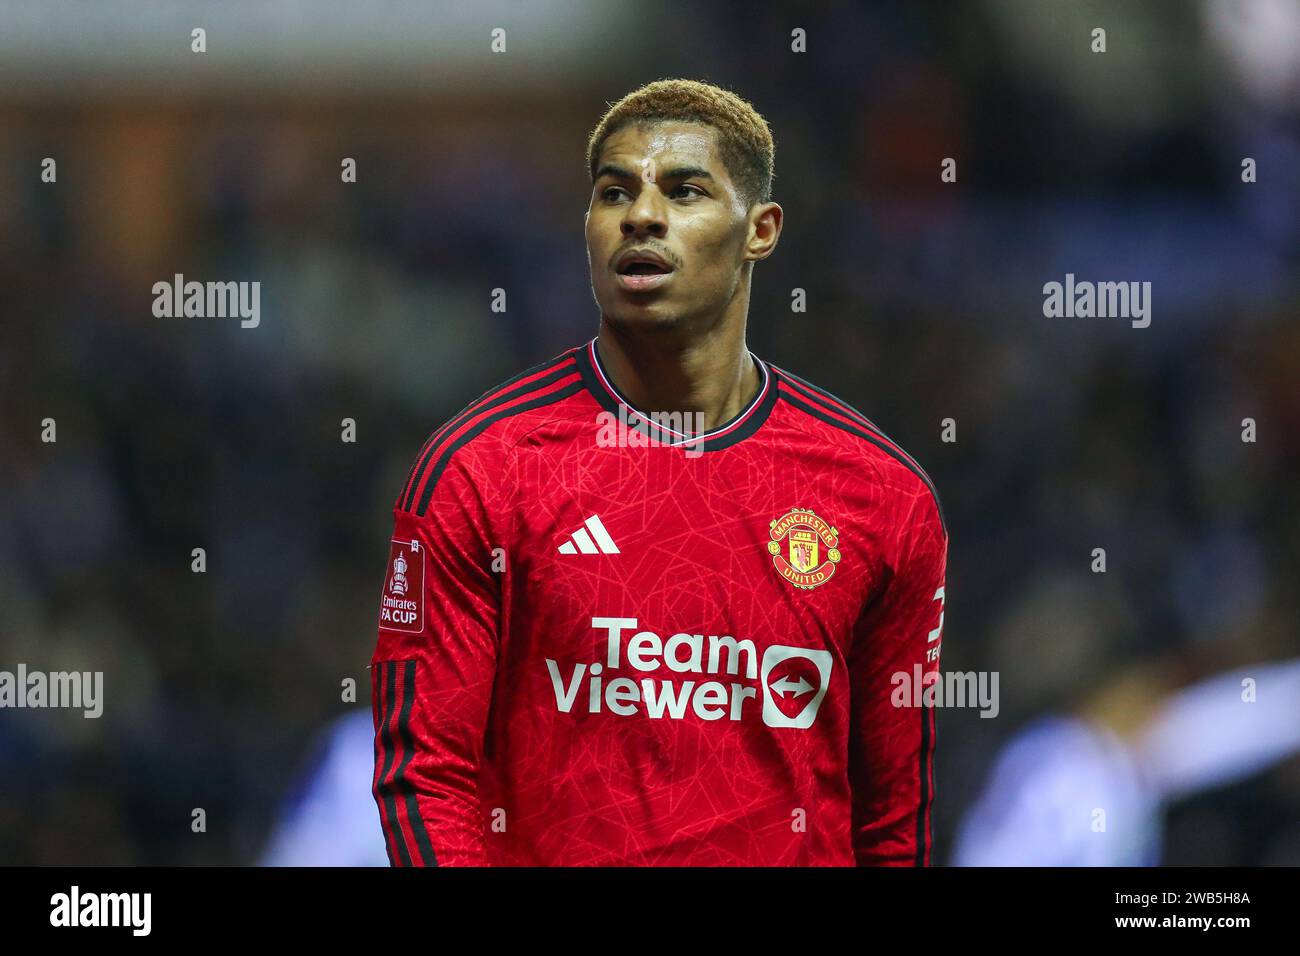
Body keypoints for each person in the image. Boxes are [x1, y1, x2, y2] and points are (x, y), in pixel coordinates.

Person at [370, 78, 947, 865]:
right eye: (614, 192)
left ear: (760, 230)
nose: (640, 215)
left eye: (684, 190)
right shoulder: (480, 470)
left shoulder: (883, 497)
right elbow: (426, 777)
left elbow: (894, 817)